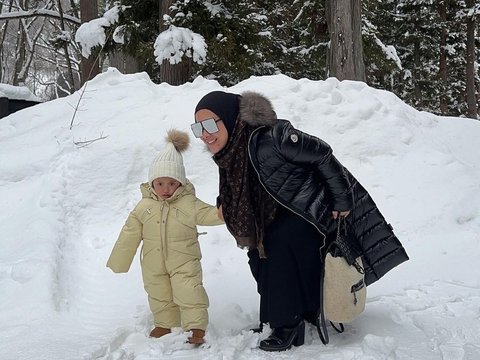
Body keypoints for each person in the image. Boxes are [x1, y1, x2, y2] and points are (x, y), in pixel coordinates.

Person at [191, 90, 409, 352]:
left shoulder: (272, 137)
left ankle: (289, 325)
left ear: (229, 117)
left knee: (279, 244)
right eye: (198, 127)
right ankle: (273, 318)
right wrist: (222, 202)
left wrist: (342, 200)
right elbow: (240, 187)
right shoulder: (230, 150)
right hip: (279, 213)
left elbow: (322, 154)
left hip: (311, 212)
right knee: (258, 255)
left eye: (210, 123)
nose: (205, 133)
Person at [107, 129, 224, 345]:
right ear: (152, 183)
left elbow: (206, 213)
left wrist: (223, 213)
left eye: (172, 183)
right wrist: (119, 261)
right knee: (158, 293)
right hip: (153, 262)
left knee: (189, 291)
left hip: (184, 261)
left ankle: (196, 328)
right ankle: (164, 323)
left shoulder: (188, 203)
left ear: (180, 182)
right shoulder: (144, 206)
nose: (166, 189)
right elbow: (129, 233)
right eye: (160, 183)